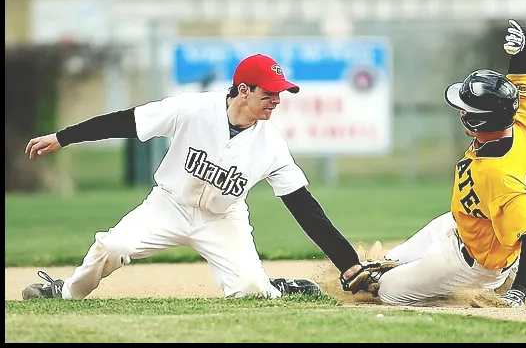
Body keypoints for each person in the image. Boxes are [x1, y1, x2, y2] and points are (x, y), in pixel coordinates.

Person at [22, 53, 366, 300]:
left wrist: (348, 264)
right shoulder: (193, 109)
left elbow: (305, 208)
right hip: (168, 206)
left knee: (250, 291)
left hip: (221, 219)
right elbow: (127, 121)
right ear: (243, 90)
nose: (276, 100)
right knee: (113, 246)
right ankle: (65, 291)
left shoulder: (271, 145)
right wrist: (63, 137)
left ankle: (273, 287)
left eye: (279, 94)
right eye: (269, 93)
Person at [342, 20, 526, 308]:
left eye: (466, 108)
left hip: (472, 264)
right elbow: (522, 81)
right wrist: (523, 51)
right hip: (462, 223)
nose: (461, 110)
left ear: (478, 121)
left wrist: (520, 293)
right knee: (388, 262)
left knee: (384, 291)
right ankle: (492, 273)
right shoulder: (522, 121)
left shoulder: (501, 177)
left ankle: (494, 286)